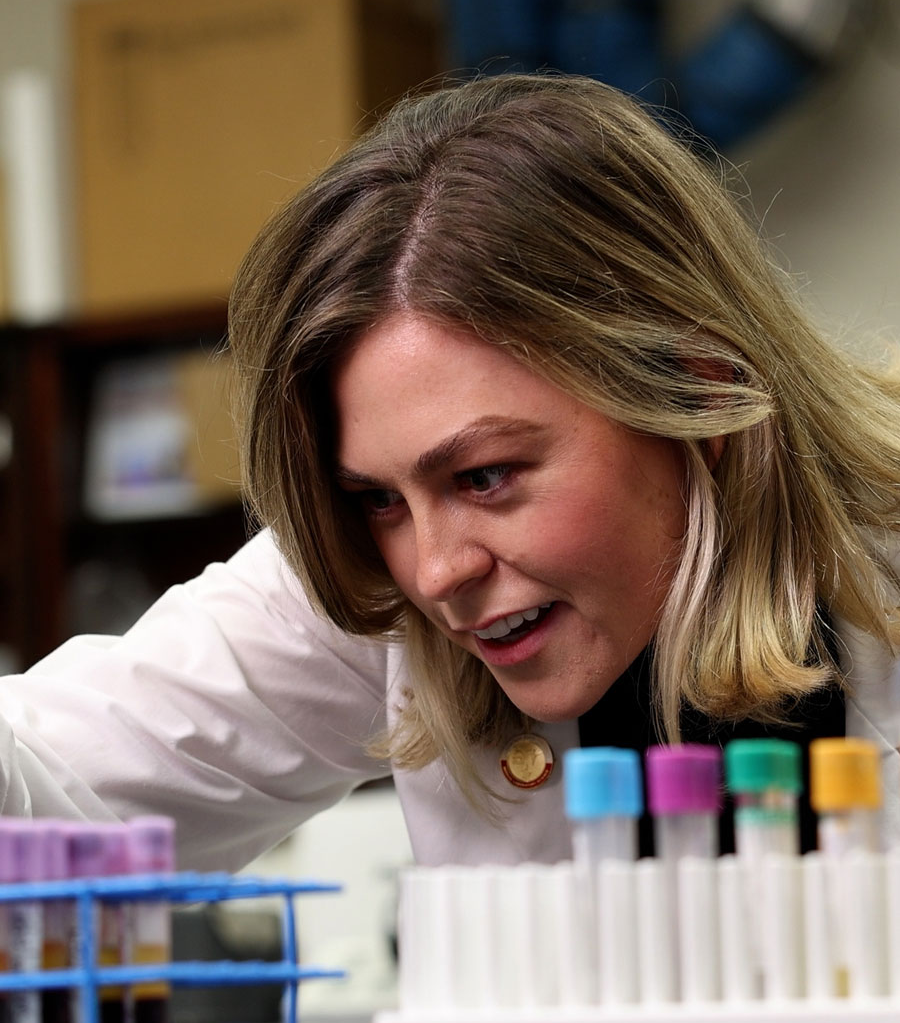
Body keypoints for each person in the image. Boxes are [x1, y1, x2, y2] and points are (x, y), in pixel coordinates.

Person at [1, 70, 899, 868]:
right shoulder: (366, 583)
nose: (435, 572)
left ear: (699, 396)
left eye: (484, 477)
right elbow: (54, 792)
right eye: (379, 498)